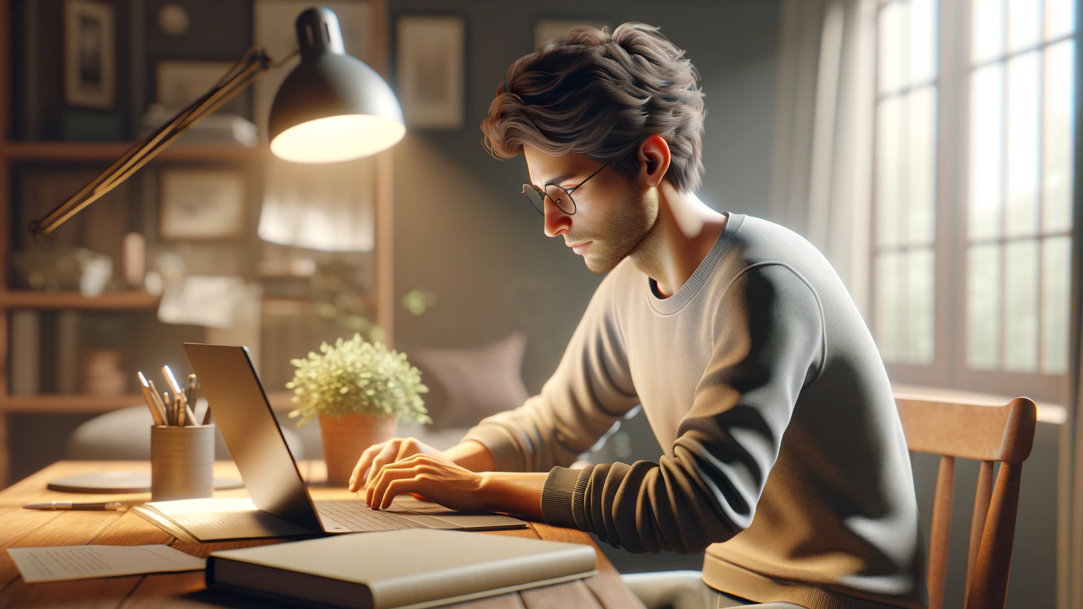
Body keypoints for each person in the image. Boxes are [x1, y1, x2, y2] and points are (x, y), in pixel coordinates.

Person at [349, 22, 927, 609]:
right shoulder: (632, 281)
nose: (551, 223)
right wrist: (442, 467)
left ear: (650, 160)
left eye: (566, 192)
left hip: (828, 598)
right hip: (725, 588)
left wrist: (480, 488)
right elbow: (552, 425)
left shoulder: (764, 283)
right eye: (540, 196)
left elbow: (697, 502)